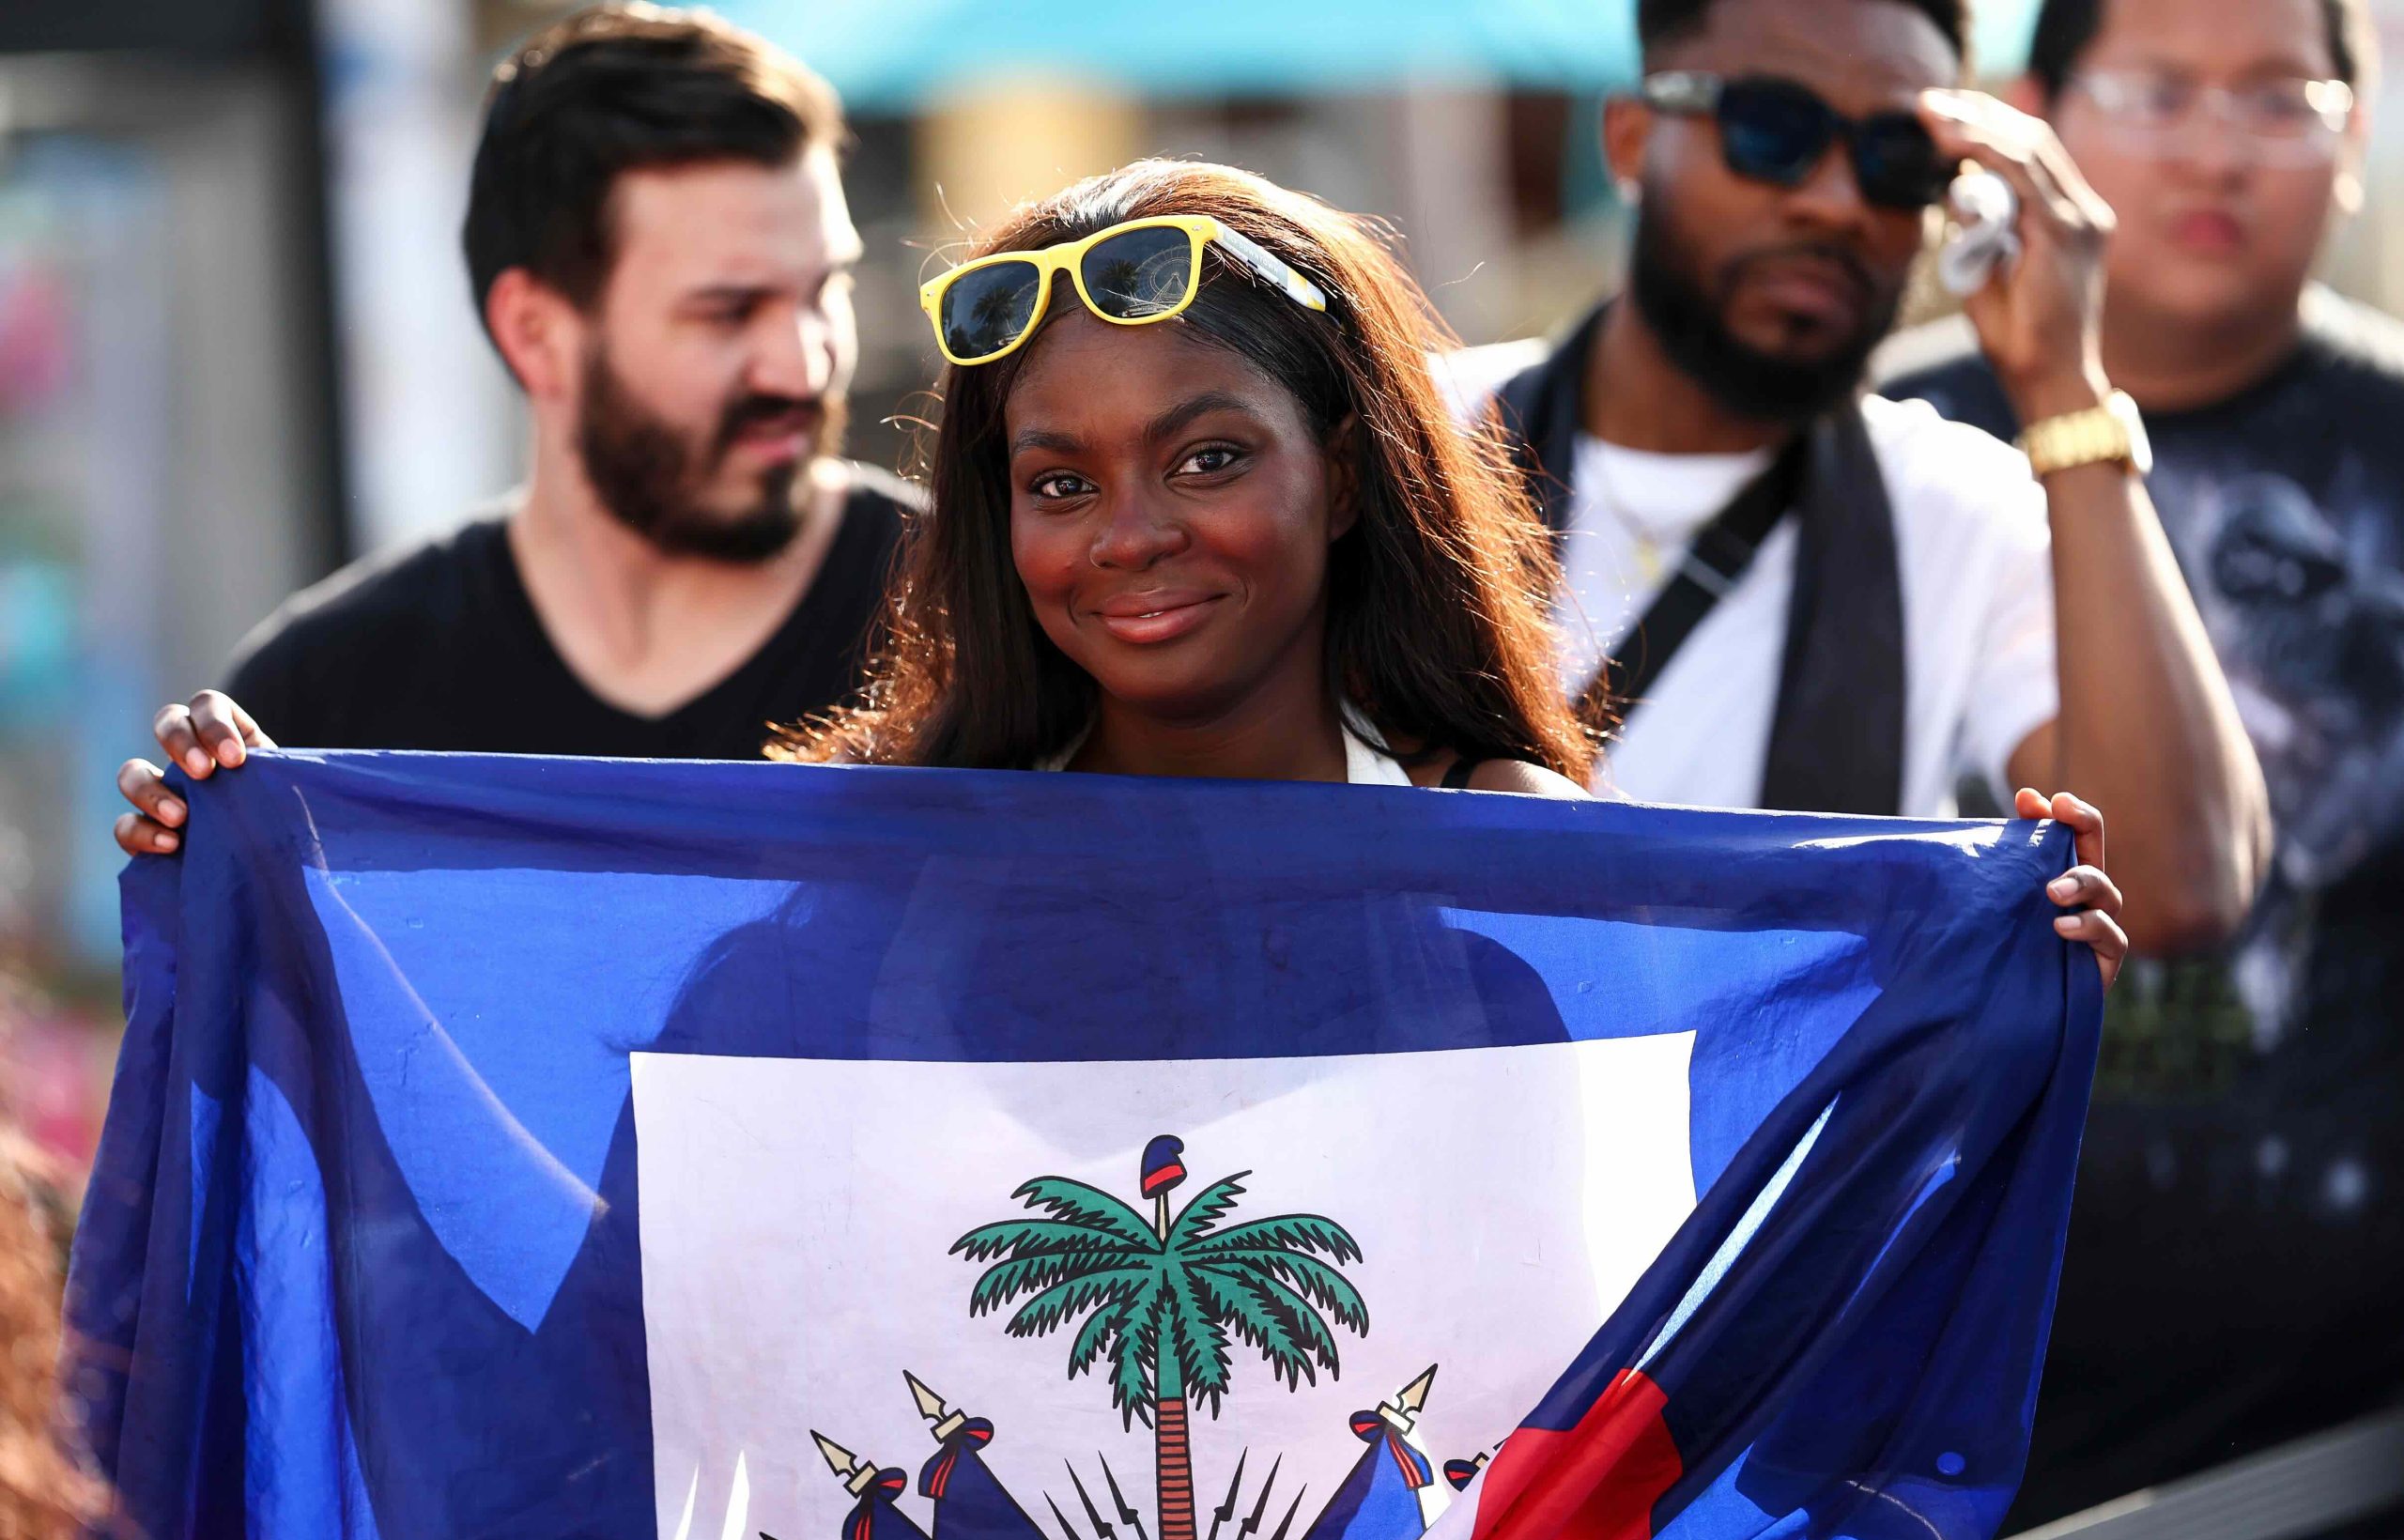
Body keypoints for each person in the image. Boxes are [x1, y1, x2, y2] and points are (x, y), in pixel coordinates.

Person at [116, 154, 2134, 994]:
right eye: (1055, 477)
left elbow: (1661, 1309)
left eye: (1206, 454)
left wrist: (1973, 951)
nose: (1130, 533)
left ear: (1343, 479)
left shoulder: (1515, 857)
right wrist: (254, 842)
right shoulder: (850, 898)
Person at [1879, 0, 2404, 1540]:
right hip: (1898, 1455)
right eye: (2158, 89)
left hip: (2339, 1472)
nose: (2214, 145)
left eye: (2279, 98)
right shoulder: (1881, 450)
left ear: (2357, 137)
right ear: (2032, 116)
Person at [1446, 0, 2268, 960]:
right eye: (1771, 129)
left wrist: (2064, 390)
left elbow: (2175, 888)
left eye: (1894, 158)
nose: (1835, 201)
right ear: (1629, 140)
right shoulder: (1410, 441)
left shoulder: (1956, 509)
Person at [112, 3, 914, 856]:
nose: (804, 366)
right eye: (728, 311)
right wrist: (208, 845)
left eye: (826, 288)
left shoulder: (984, 619)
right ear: (537, 333)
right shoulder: (323, 704)